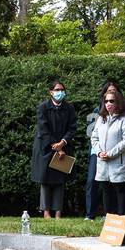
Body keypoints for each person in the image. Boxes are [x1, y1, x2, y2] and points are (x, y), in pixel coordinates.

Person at [31, 80, 75, 219]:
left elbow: (72, 128)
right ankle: (46, 211)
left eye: (62, 89)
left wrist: (63, 143)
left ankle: (58, 211)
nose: (59, 92)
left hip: (64, 147)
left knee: (60, 180)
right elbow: (43, 129)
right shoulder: (43, 107)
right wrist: (55, 147)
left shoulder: (69, 108)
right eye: (57, 89)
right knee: (46, 180)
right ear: (51, 92)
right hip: (45, 148)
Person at [92, 83, 125, 216]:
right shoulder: (101, 119)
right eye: (106, 101)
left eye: (112, 101)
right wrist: (99, 152)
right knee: (106, 190)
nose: (108, 104)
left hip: (118, 162)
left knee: (119, 190)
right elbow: (94, 137)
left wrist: (110, 154)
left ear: (118, 102)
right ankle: (108, 217)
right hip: (103, 161)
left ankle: (121, 218)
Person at [83, 97, 103, 220]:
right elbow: (91, 134)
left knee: (109, 184)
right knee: (91, 181)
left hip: (112, 152)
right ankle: (90, 214)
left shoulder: (121, 112)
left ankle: (109, 214)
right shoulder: (96, 111)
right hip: (96, 151)